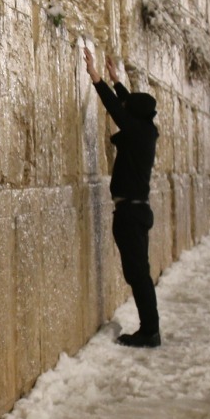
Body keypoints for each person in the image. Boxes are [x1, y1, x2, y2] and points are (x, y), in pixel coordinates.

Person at [83, 45, 161, 347]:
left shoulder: (139, 132)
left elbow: (118, 109)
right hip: (135, 211)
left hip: (131, 214)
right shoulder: (146, 130)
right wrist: (117, 81)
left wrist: (97, 78)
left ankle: (150, 331)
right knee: (138, 273)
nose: (126, 111)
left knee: (138, 275)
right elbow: (128, 105)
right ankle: (149, 328)